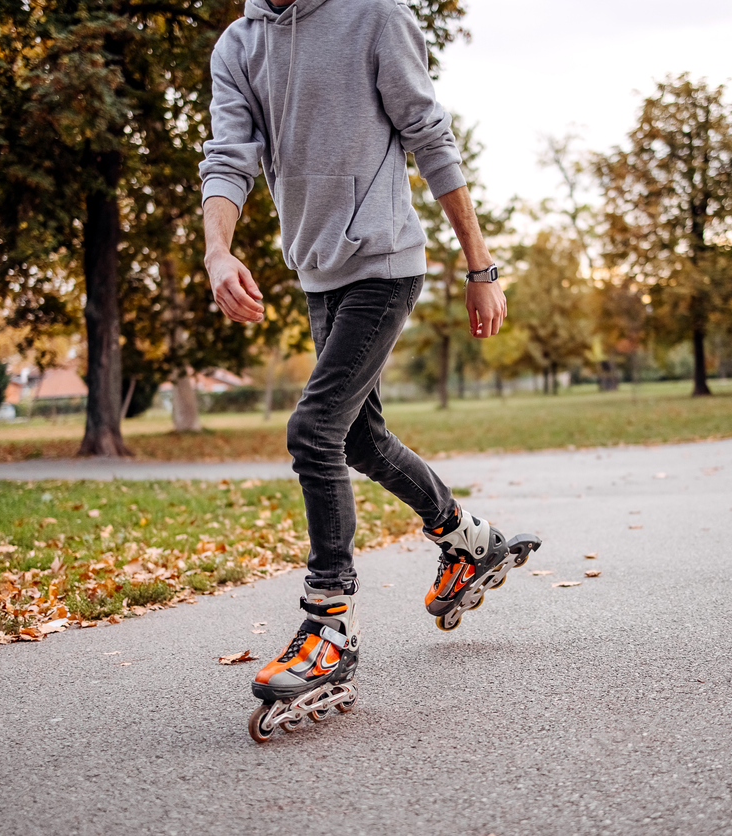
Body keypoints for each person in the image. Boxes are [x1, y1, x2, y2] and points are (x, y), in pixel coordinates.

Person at [199, 0, 526, 728]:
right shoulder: (240, 44)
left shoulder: (374, 14)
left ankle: (328, 628)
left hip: (382, 263)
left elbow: (429, 135)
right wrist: (217, 250)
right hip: (318, 273)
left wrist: (481, 269)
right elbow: (228, 156)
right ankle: (465, 540)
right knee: (355, 438)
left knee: (313, 430)